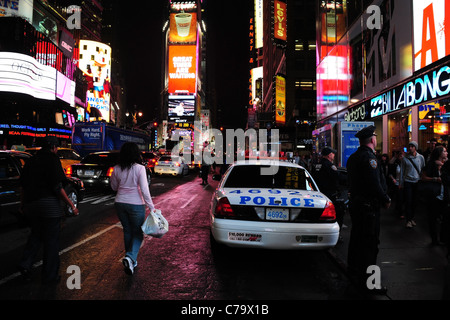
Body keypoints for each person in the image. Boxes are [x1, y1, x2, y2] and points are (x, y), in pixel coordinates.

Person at [18, 136, 79, 284]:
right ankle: (50, 275)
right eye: (56, 147)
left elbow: (23, 186)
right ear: (53, 147)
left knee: (36, 235)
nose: (57, 150)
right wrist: (71, 205)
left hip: (31, 205)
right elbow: (57, 187)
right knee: (51, 242)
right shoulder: (52, 160)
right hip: (49, 207)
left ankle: (25, 264)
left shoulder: (31, 160)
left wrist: (22, 205)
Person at [346, 125, 391, 295]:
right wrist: (385, 199)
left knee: (357, 242)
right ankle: (371, 284)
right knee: (370, 246)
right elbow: (374, 184)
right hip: (368, 209)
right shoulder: (370, 159)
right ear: (372, 140)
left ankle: (355, 275)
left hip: (358, 206)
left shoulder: (353, 157)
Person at [110, 142, 156, 275]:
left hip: (120, 203)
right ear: (136, 154)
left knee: (127, 231)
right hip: (136, 204)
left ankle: (131, 261)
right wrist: (151, 207)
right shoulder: (140, 168)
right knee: (138, 233)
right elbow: (144, 190)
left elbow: (113, 187)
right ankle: (130, 257)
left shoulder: (117, 168)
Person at [421, 146, 448, 245]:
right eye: (444, 151)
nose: (446, 153)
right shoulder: (431, 164)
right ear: (439, 153)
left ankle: (443, 238)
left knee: (445, 218)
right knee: (432, 218)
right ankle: (434, 239)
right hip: (434, 194)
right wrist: (435, 179)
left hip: (444, 194)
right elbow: (423, 177)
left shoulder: (446, 164)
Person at [315, 147, 344, 228]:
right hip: (330, 193)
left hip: (319, 192)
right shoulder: (329, 165)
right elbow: (337, 176)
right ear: (329, 155)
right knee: (336, 213)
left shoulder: (317, 164)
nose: (334, 155)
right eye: (333, 153)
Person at [400, 141, 426, 228]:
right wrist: (401, 183)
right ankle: (408, 220)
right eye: (409, 146)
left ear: (415, 148)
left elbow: (422, 169)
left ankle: (412, 218)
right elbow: (402, 171)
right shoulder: (405, 158)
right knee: (408, 201)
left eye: (412, 146)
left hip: (417, 181)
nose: (410, 148)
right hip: (408, 182)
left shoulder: (421, 157)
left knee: (415, 201)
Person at [388, 150, 404, 219]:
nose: (402, 157)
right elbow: (390, 173)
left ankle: (398, 209)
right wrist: (393, 180)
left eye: (403, 156)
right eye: (400, 156)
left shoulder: (405, 164)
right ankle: (400, 212)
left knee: (402, 198)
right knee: (399, 198)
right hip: (397, 183)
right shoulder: (395, 164)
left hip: (404, 183)